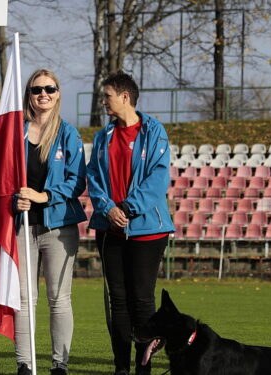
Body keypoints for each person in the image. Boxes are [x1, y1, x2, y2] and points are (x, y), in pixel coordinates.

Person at [86, 71, 175, 375]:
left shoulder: (155, 132)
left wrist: (127, 207)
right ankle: (121, 368)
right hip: (109, 229)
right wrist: (109, 209)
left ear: (125, 96)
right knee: (118, 302)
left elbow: (158, 178)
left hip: (148, 231)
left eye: (107, 96)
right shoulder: (102, 137)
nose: (103, 102)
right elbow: (94, 178)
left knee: (142, 300)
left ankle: (143, 368)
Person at [13, 69, 87, 375]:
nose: (43, 93)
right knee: (23, 300)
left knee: (59, 299)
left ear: (58, 93)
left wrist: (44, 196)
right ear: (29, 94)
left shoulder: (68, 133)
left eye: (50, 88)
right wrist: (13, 199)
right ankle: (25, 364)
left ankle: (60, 365)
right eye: (37, 89)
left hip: (59, 228)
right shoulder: (15, 133)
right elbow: (3, 178)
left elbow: (77, 181)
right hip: (22, 227)